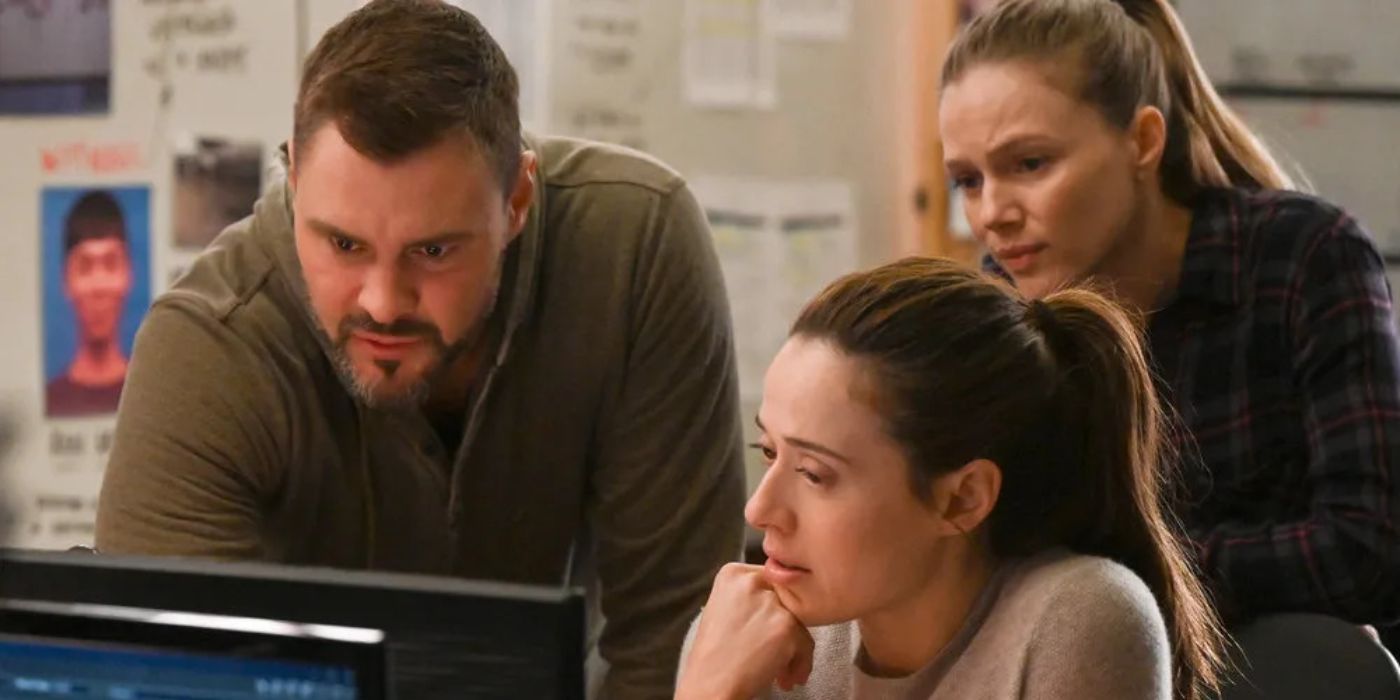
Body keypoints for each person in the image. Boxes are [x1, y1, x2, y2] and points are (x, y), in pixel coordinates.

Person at [93, 0, 746, 695]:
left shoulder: (635, 251)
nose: (382, 300)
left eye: (433, 251)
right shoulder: (210, 353)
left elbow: (675, 649)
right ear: (292, 180)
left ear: (517, 200)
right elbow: (172, 681)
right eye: (343, 244)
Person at [938, 0, 1400, 630]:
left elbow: (1367, 552)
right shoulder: (1001, 313)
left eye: (1031, 164)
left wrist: (1123, 568)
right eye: (967, 180)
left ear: (1143, 142)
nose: (992, 212)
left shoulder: (1303, 258)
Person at [676, 258, 1229, 700]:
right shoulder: (738, 639)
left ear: (961, 499)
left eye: (814, 474)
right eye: (768, 452)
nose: (760, 509)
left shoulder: (1076, 622)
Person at [46, 190, 133, 417]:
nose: (99, 286)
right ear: (66, 281)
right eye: (84, 267)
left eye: (111, 264)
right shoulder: (51, 400)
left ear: (129, 274)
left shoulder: (153, 393)